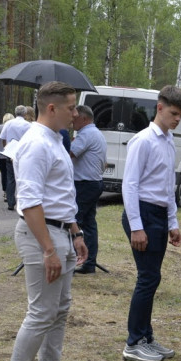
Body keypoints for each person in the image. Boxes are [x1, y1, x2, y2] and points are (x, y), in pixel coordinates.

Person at [0, 81, 90, 361]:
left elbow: (61, 196)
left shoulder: (55, 139)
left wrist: (76, 233)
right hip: (42, 236)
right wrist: (48, 249)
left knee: (59, 310)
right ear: (51, 108)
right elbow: (31, 202)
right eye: (71, 107)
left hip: (60, 232)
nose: (75, 113)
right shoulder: (36, 143)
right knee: (41, 312)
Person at [120, 84, 181, 361]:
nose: (176, 119)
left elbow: (168, 186)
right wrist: (136, 226)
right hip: (143, 214)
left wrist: (173, 223)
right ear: (159, 107)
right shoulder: (143, 140)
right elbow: (130, 184)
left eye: (180, 115)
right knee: (147, 278)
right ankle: (133, 342)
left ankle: (145, 336)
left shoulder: (168, 141)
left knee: (153, 277)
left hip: (158, 214)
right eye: (173, 113)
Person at [69, 104, 107, 274]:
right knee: (90, 224)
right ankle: (89, 262)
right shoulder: (97, 133)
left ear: (84, 119)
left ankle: (71, 261)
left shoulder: (85, 134)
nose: (72, 120)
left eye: (75, 118)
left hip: (84, 183)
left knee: (74, 222)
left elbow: (69, 154)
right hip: (94, 182)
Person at [1, 105, 33, 211]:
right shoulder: (28, 125)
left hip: (10, 152)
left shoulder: (9, 123)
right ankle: (23, 202)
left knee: (10, 178)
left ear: (15, 113)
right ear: (25, 114)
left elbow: (3, 137)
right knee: (23, 177)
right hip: (24, 152)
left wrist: (6, 147)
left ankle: (10, 202)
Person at [0, 113, 13, 201]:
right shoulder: (14, 127)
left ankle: (5, 191)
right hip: (12, 153)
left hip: (0, 154)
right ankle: (10, 192)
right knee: (11, 175)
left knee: (4, 174)